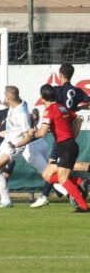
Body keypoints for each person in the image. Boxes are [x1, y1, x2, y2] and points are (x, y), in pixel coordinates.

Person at [11, 84, 88, 212]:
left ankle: (84, 206)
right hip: (67, 145)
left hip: (65, 147)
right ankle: (80, 181)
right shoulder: (62, 107)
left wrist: (31, 133)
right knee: (47, 175)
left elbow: (42, 133)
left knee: (63, 179)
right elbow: (77, 118)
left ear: (42, 98)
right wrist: (72, 132)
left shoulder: (49, 110)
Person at [34, 63, 90, 208]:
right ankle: (76, 186)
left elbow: (54, 106)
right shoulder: (77, 91)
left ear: (60, 75)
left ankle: (47, 195)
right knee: (57, 169)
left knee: (55, 168)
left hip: (60, 134)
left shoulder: (56, 91)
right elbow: (78, 107)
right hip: (71, 131)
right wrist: (80, 107)